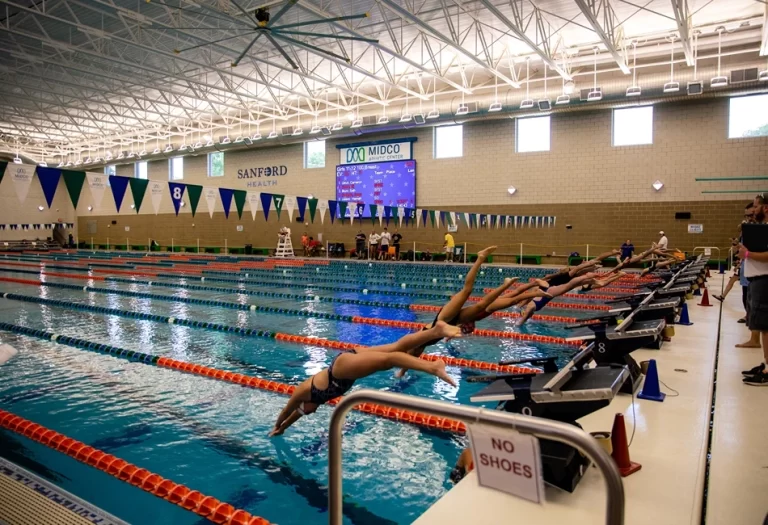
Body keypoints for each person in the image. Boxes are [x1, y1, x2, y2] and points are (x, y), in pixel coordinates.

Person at [268, 321, 462, 436]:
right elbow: (295, 415)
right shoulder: (311, 403)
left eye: (306, 410)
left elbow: (287, 410)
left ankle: (433, 367)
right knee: (397, 348)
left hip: (340, 370)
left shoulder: (303, 391)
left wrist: (277, 424)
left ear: (305, 403)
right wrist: (283, 429)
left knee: (389, 360)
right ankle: (435, 331)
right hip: (347, 362)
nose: (310, 412)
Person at [395, 247, 549, 377]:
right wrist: (401, 372)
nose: (412, 354)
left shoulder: (415, 340)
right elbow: (410, 359)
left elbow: (407, 355)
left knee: (468, 291)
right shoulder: (419, 347)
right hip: (452, 321)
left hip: (442, 319)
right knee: (482, 305)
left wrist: (401, 369)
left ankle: (480, 258)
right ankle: (532, 291)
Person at [737, 194, 768, 385]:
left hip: (764, 280)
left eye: (755, 207)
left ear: (765, 208)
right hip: (758, 279)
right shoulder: (762, 229)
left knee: (766, 327)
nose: (752, 211)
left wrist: (747, 253)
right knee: (764, 327)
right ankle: (766, 363)